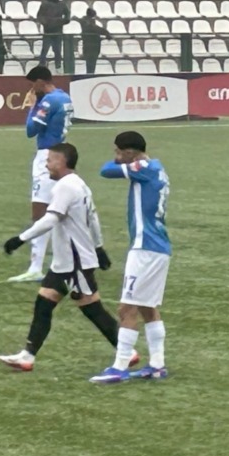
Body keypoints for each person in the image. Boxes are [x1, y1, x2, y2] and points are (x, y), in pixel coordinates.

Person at [0, 142, 128, 373]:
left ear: (61, 161)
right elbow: (93, 219)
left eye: (49, 160)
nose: (46, 164)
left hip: (75, 262)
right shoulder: (79, 184)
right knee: (43, 305)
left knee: (92, 309)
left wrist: (20, 239)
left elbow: (51, 219)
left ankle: (126, 351)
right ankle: (27, 356)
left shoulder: (65, 187)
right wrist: (98, 247)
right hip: (64, 263)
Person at [90, 131, 172, 383]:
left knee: (127, 307)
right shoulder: (157, 168)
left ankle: (120, 366)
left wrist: (120, 162)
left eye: (118, 152)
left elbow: (105, 170)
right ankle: (157, 364)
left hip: (144, 247)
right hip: (158, 247)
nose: (115, 156)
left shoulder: (144, 167)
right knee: (148, 307)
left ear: (129, 153)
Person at [10, 67, 72, 283]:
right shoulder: (64, 97)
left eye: (32, 84)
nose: (30, 88)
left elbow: (31, 130)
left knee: (40, 211)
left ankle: (36, 267)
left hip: (48, 157)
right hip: (62, 153)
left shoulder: (47, 101)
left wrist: (33, 105)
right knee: (58, 209)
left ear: (39, 81)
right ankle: (64, 263)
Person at [36, 0, 68, 66]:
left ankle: (58, 65)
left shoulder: (62, 4)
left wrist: (62, 21)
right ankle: (42, 64)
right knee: (45, 49)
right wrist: (46, 23)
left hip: (58, 30)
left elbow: (67, 15)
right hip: (48, 30)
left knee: (58, 50)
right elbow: (40, 16)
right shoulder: (45, 4)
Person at [79, 7, 109, 75]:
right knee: (90, 64)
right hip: (89, 46)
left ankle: (90, 74)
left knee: (92, 64)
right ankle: (89, 75)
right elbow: (94, 28)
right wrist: (105, 32)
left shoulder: (89, 21)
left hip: (94, 46)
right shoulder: (85, 21)